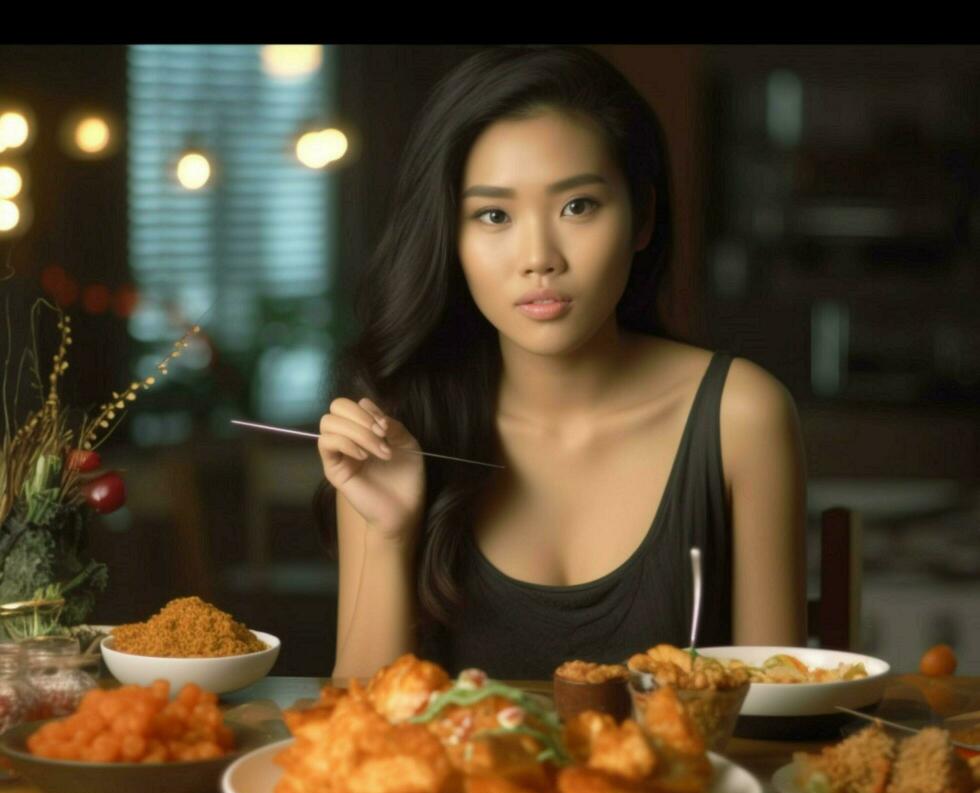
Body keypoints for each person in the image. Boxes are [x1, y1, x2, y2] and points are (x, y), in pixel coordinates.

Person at [315, 45, 807, 680]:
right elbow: (355, 742)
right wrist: (387, 534)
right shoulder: (400, 425)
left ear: (643, 217)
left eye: (578, 206)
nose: (539, 257)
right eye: (493, 215)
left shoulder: (742, 416)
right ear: (449, 237)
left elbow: (780, 714)